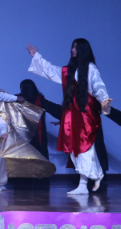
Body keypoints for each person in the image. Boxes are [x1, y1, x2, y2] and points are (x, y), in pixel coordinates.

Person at [26, 39, 114, 194]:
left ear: (82, 50)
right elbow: (51, 71)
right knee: (75, 149)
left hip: (85, 114)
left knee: (85, 149)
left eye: (75, 47)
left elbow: (98, 86)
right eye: (72, 47)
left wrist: (104, 100)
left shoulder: (90, 68)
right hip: (72, 114)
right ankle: (87, 181)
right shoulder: (69, 71)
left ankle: (88, 180)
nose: (72, 50)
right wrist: (36, 56)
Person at [16, 79, 63, 159]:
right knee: (40, 160)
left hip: (24, 136)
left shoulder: (17, 101)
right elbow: (56, 110)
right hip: (39, 136)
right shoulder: (40, 101)